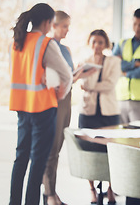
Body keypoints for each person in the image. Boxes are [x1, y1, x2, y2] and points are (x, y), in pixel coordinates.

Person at [9, 3, 72, 205]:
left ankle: (14, 202)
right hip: (43, 109)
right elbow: (67, 75)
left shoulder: (17, 41)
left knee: (20, 159)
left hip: (22, 107)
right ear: (47, 22)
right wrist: (60, 94)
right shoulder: (45, 43)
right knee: (37, 163)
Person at [42, 11, 87, 205]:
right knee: (50, 148)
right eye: (64, 26)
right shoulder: (46, 46)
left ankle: (51, 192)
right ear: (54, 25)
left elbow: (68, 77)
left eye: (69, 26)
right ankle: (50, 193)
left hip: (66, 100)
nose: (67, 30)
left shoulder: (66, 49)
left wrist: (77, 74)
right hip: (53, 100)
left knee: (58, 147)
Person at [78, 29, 121, 204]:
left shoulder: (114, 61)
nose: (97, 46)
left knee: (110, 152)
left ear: (106, 44)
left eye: (100, 42)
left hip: (109, 113)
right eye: (94, 42)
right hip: (88, 112)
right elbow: (82, 84)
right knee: (90, 152)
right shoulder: (84, 61)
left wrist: (91, 84)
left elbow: (110, 85)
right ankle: (92, 189)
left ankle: (111, 189)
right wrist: (90, 84)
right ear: (90, 42)